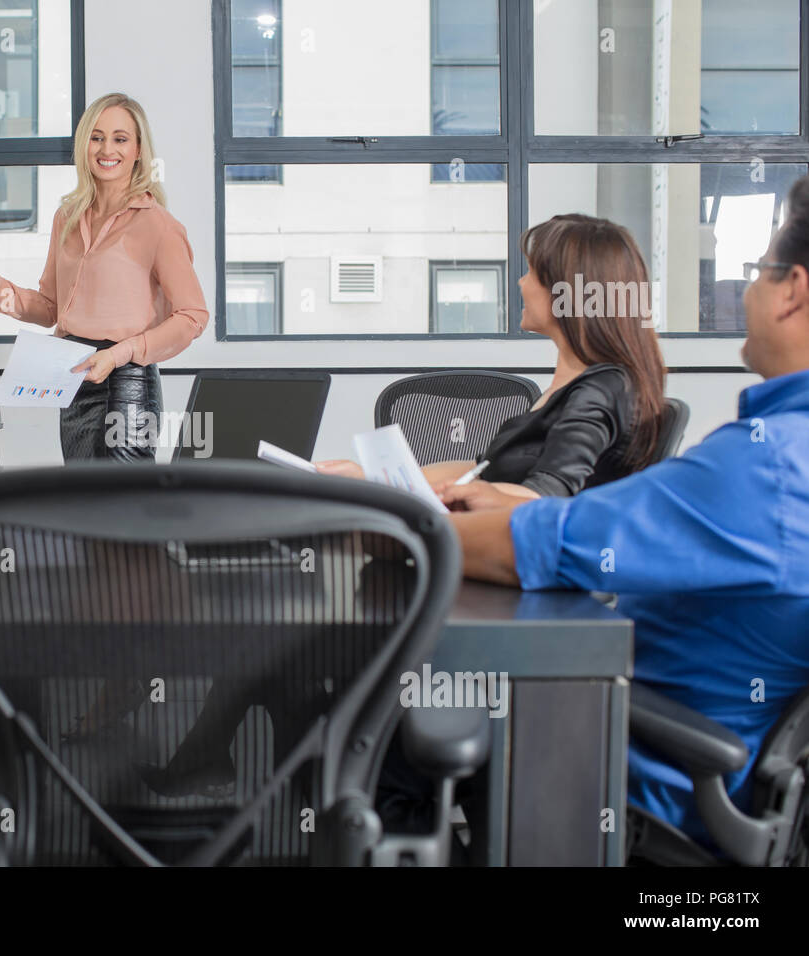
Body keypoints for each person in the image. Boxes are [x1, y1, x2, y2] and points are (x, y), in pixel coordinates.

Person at [446, 173, 809, 850]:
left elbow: (530, 540)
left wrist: (381, 523)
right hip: (678, 752)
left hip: (621, 774)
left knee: (401, 727)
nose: (747, 289)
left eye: (758, 272)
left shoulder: (766, 467)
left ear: (794, 291)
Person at [318, 214, 668, 505]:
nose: (520, 282)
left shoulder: (601, 390)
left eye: (531, 272)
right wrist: (371, 479)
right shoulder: (576, 383)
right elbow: (480, 468)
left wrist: (454, 496)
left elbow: (548, 494)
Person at [0, 92, 208, 462]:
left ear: (138, 150)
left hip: (127, 384)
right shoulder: (66, 218)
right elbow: (49, 308)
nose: (107, 148)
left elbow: (193, 316)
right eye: (96, 136)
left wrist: (120, 354)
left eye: (120, 139)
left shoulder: (158, 226)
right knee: (81, 507)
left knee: (121, 511)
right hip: (74, 380)